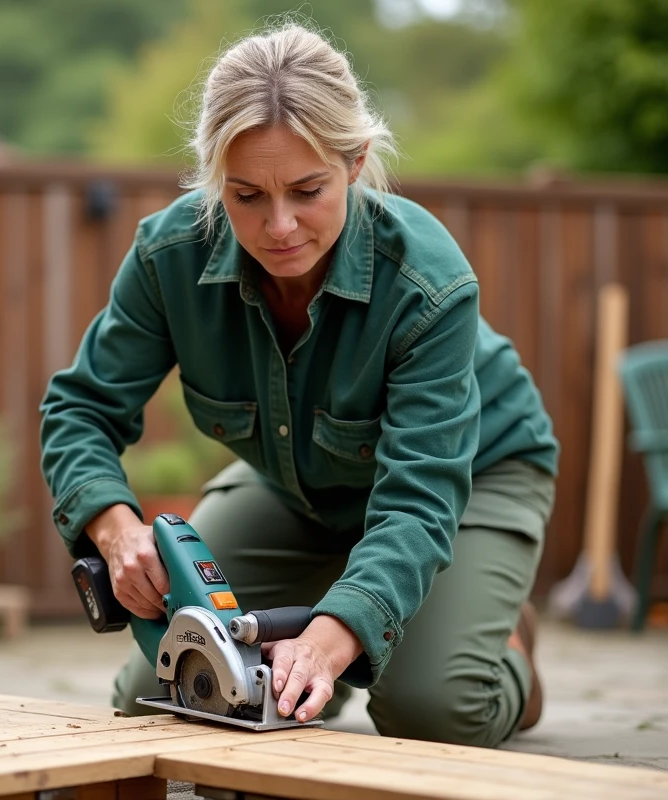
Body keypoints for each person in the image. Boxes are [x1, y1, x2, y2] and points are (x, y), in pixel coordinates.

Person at [38, 21, 559, 748]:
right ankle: (328, 671)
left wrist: (333, 635)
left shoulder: (429, 282)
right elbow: (79, 409)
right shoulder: (169, 258)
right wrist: (115, 527)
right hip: (300, 488)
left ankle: (504, 650)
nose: (278, 226)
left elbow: (418, 496)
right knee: (166, 699)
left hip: (471, 475)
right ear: (213, 178)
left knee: (432, 709)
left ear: (355, 161)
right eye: (246, 195)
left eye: (308, 190)